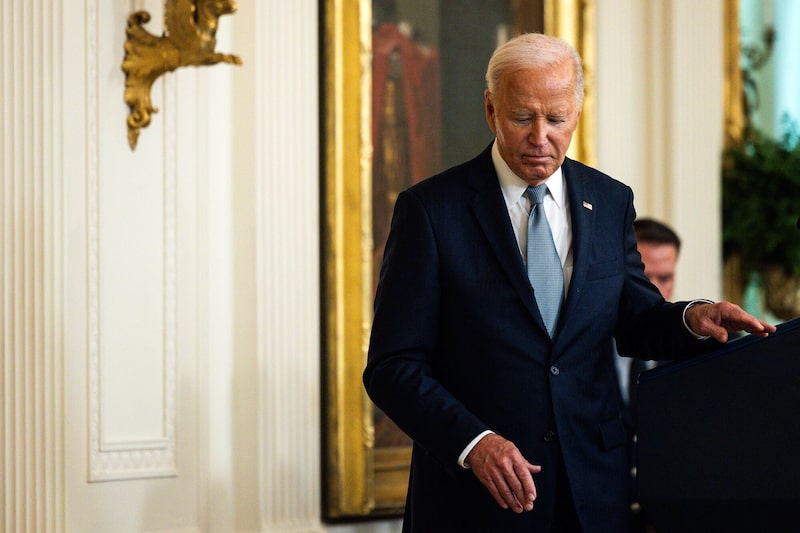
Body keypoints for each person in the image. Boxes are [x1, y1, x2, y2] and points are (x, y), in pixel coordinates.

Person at [363, 32, 774, 532]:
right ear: (491, 110)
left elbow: (634, 319)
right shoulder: (430, 211)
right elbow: (393, 367)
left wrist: (691, 317)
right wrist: (474, 444)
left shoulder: (610, 201)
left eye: (557, 119)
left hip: (593, 492)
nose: (541, 136)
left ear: (577, 113)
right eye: (522, 118)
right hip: (476, 498)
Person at [615, 218, 682, 531]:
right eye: (644, 277)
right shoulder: (577, 351)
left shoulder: (694, 350)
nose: (654, 290)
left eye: (665, 278)